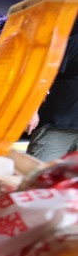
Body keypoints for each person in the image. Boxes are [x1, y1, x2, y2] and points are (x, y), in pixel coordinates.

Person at [26, 20, 78, 161]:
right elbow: (43, 77)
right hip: (57, 127)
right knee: (38, 171)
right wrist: (32, 110)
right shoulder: (73, 42)